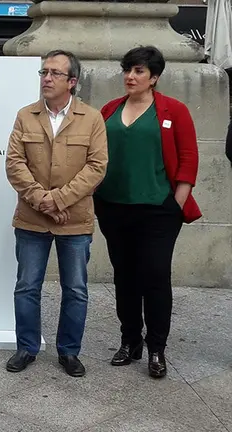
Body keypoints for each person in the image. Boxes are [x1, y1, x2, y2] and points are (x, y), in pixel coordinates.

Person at [96, 46, 201, 379]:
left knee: (155, 276)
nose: (131, 76)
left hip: (159, 210)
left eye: (139, 71)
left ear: (154, 77)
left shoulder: (175, 110)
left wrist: (177, 203)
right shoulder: (109, 109)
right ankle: (130, 341)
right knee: (124, 276)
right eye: (128, 70)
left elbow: (188, 159)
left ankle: (157, 348)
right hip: (113, 207)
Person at [4, 50, 108, 378]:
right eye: (43, 72)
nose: (46, 78)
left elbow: (96, 166)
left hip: (74, 220)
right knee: (27, 285)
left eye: (55, 73)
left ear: (72, 82)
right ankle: (26, 347)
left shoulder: (91, 119)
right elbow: (14, 163)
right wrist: (42, 201)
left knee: (75, 288)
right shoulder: (26, 115)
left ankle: (69, 351)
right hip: (32, 218)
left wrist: (59, 200)